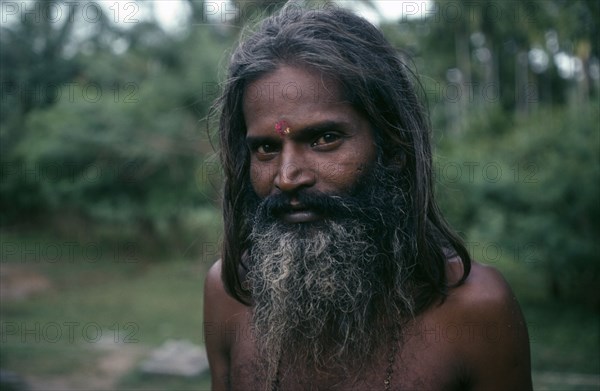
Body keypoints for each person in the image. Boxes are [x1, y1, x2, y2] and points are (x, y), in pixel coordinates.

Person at [204, 5, 532, 390]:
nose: (288, 176)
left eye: (325, 138)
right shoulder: (230, 296)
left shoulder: (477, 311)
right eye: (265, 148)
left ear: (392, 147)